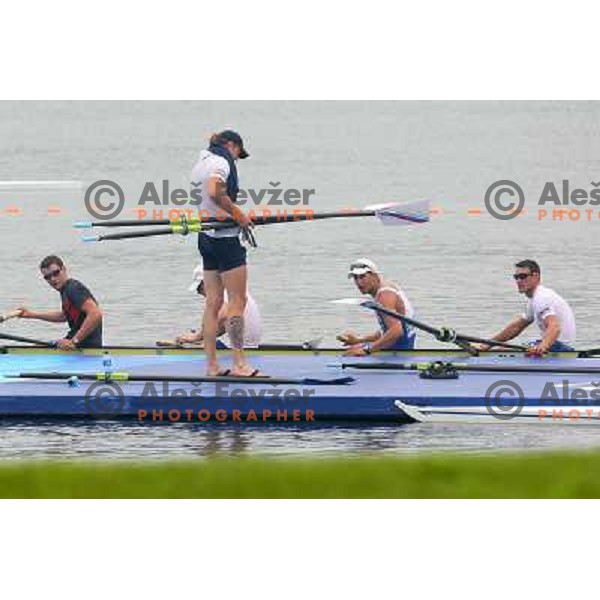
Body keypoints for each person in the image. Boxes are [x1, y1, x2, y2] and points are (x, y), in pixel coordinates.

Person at [191, 129, 261, 376]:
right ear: (231, 145)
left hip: (205, 237)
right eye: (238, 153)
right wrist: (239, 214)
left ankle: (212, 366)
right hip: (225, 239)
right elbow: (215, 191)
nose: (237, 159)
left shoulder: (201, 161)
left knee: (213, 303)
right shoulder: (221, 162)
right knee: (237, 301)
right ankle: (240, 364)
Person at [475, 259, 576, 355]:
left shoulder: (542, 297)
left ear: (535, 276)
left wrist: (543, 347)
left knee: (505, 350)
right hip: (556, 345)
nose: (519, 281)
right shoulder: (535, 299)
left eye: (523, 276)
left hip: (560, 347)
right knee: (503, 349)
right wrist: (489, 343)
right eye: (516, 277)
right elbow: (516, 327)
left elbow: (554, 327)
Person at [15, 255, 103, 349]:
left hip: (84, 347)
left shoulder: (73, 288)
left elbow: (96, 313)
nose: (52, 279)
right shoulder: (65, 290)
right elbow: (64, 316)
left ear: (64, 269)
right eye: (47, 277)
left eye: (56, 273)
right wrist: (32, 314)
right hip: (76, 345)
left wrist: (74, 341)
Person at [338, 258, 416, 356]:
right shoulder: (387, 288)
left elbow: (396, 332)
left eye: (362, 277)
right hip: (400, 350)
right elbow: (386, 331)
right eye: (355, 277)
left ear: (375, 276)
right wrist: (359, 340)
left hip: (398, 355)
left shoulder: (384, 295)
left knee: (346, 355)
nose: (358, 282)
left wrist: (366, 350)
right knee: (353, 349)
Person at [175, 265, 262, 348]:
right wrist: (202, 337)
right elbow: (223, 324)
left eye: (199, 288)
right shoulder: (235, 290)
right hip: (249, 346)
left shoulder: (223, 293)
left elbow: (222, 315)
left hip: (237, 349)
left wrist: (196, 337)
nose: (198, 292)